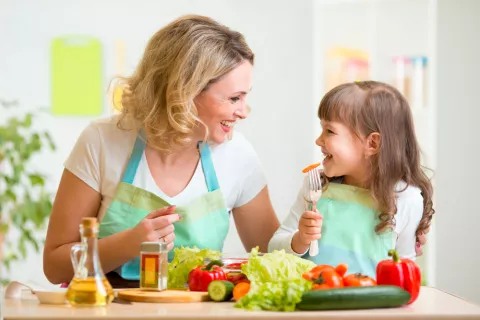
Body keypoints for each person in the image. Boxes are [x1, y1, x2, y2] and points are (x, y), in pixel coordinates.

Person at [43, 14, 279, 287]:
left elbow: (272, 258)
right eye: (234, 98)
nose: (243, 112)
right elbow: (55, 266)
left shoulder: (239, 156)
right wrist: (128, 244)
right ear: (185, 91)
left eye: (245, 96)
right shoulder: (102, 141)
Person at [269, 81, 434, 278]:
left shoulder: (406, 198)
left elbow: (405, 269)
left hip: (373, 307)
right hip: (313, 305)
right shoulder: (316, 186)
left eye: (329, 131)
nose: (318, 140)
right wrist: (300, 240)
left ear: (372, 143)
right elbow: (274, 247)